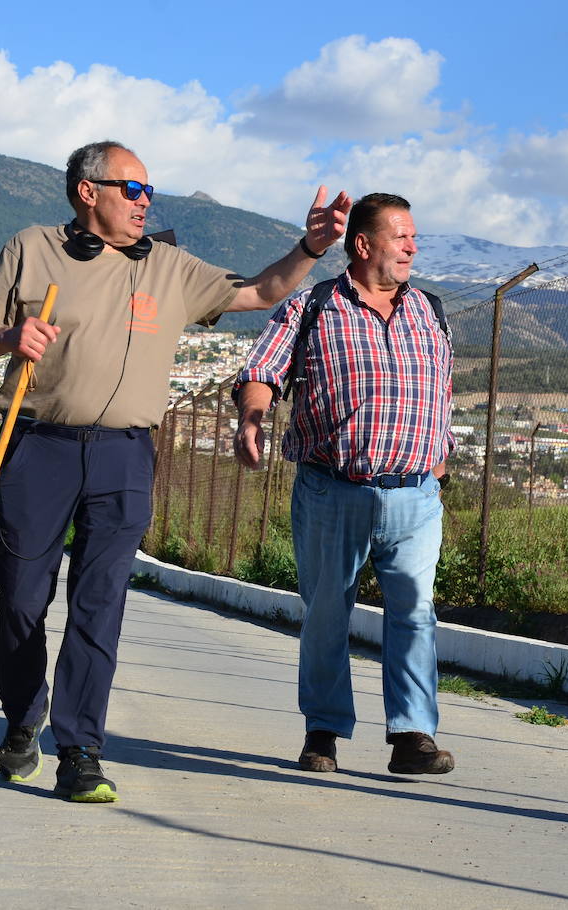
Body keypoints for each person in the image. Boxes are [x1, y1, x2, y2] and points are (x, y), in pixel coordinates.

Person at [0, 139, 350, 803]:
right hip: (37, 445)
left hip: (126, 454)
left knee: (99, 605)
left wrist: (310, 249)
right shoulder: (30, 248)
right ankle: (23, 715)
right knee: (20, 598)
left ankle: (81, 751)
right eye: (131, 190)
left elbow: (259, 290)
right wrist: (6, 339)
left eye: (148, 192)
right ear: (88, 191)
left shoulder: (168, 266)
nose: (145, 202)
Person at [232, 193, 456, 776]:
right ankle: (323, 732)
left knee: (415, 613)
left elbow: (443, 391)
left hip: (416, 495)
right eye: (401, 237)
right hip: (333, 490)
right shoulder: (314, 307)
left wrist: (440, 457)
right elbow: (261, 371)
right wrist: (252, 418)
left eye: (414, 238)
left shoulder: (431, 310)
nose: (412, 247)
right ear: (363, 245)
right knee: (328, 613)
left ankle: (412, 736)